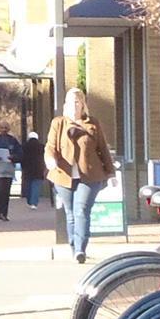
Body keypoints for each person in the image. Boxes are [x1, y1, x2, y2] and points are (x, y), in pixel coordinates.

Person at [46, 88, 114, 263]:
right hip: (63, 176)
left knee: (81, 210)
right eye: (71, 102)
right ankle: (73, 247)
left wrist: (110, 172)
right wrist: (51, 160)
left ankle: (80, 249)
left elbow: (103, 149)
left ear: (83, 104)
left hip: (89, 176)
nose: (74, 106)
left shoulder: (93, 123)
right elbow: (50, 147)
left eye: (77, 102)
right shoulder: (58, 123)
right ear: (65, 105)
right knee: (70, 213)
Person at [21, 130, 45, 209]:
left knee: (28, 186)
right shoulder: (41, 147)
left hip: (27, 170)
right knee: (36, 187)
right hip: (39, 169)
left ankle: (29, 201)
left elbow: (20, 157)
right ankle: (34, 203)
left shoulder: (24, 146)